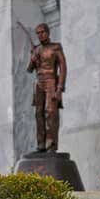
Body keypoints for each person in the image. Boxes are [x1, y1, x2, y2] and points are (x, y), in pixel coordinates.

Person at [26, 22, 67, 152]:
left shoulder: (55, 47)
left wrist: (60, 88)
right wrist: (32, 59)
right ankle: (41, 144)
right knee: (38, 113)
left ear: (48, 32)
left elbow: (63, 67)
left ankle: (51, 144)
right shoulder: (37, 49)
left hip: (51, 81)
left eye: (42, 32)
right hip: (39, 82)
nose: (40, 35)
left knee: (50, 112)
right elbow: (29, 69)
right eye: (38, 33)